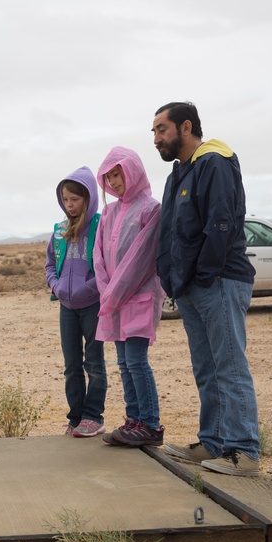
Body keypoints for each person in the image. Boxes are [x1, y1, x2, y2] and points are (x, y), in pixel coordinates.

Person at [152, 102, 260, 476]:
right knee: (207, 368)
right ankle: (213, 442)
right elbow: (168, 231)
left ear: (185, 127)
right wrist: (170, 277)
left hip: (220, 281)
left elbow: (222, 223)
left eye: (161, 130)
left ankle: (243, 451)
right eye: (153, 132)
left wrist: (204, 274)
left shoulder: (215, 160)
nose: (156, 139)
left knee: (229, 366)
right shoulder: (178, 175)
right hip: (191, 288)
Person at [93, 148, 165, 447]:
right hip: (114, 300)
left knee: (136, 361)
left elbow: (141, 258)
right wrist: (107, 290)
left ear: (132, 170)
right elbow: (98, 256)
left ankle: (150, 425)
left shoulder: (152, 209)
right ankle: (134, 419)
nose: (114, 181)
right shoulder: (109, 212)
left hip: (138, 298)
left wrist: (114, 292)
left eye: (117, 173)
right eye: (109, 176)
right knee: (123, 363)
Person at [45, 167, 108, 438]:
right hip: (66, 307)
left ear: (88, 197)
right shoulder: (59, 230)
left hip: (92, 305)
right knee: (72, 365)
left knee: (93, 362)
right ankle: (76, 417)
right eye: (65, 199)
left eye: (75, 199)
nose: (69, 205)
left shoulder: (100, 225)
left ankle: (94, 417)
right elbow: (49, 264)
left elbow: (106, 265)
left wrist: (87, 288)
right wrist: (56, 286)